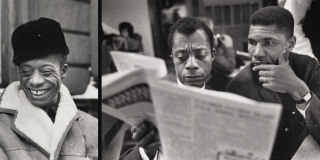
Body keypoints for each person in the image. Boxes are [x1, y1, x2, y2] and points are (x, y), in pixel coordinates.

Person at [226, 6, 320, 160]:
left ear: (290, 44)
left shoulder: (310, 67)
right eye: (251, 42)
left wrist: (299, 91)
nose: (256, 53)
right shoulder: (238, 87)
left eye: (268, 42)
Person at [0, 18, 98, 160]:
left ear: (63, 71)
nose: (35, 81)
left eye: (46, 72)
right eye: (26, 72)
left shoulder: (92, 126)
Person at [119, 17, 215, 160]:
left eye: (200, 55)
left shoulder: (225, 102)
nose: (191, 64)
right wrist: (145, 152)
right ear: (173, 58)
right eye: (181, 57)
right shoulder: (144, 104)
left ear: (212, 55)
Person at [197, 16, 236, 91]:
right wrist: (229, 46)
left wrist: (217, 46)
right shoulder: (204, 49)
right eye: (212, 31)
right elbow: (229, 67)